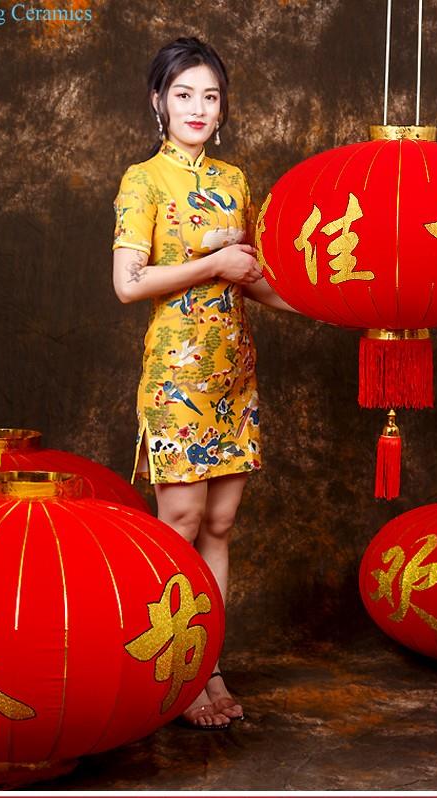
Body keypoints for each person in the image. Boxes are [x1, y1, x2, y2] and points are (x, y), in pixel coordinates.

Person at [113, 37, 294, 728]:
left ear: (223, 108)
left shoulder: (234, 181)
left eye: (210, 95)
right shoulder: (143, 180)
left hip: (233, 376)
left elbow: (255, 282)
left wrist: (340, 305)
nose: (197, 107)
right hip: (177, 375)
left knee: (219, 526)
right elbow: (130, 284)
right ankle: (178, 673)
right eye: (183, 93)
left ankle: (209, 665)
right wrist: (214, 261)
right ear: (159, 101)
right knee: (180, 524)